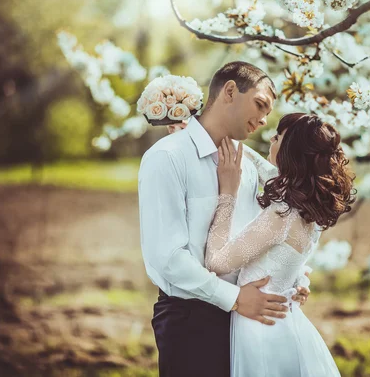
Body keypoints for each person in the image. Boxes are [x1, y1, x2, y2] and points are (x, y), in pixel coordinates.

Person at [138, 61, 311, 377]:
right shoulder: (168, 157)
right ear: (230, 91)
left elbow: (259, 235)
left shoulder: (244, 165)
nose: (262, 120)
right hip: (191, 321)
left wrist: (292, 277)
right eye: (259, 105)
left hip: (245, 324)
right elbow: (167, 258)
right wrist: (234, 299)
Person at [206, 112, 356, 377]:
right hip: (286, 324)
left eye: (278, 137)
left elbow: (216, 262)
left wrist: (227, 194)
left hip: (262, 332)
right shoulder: (311, 207)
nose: (271, 139)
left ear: (291, 152)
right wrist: (217, 137)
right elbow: (268, 170)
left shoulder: (282, 215)